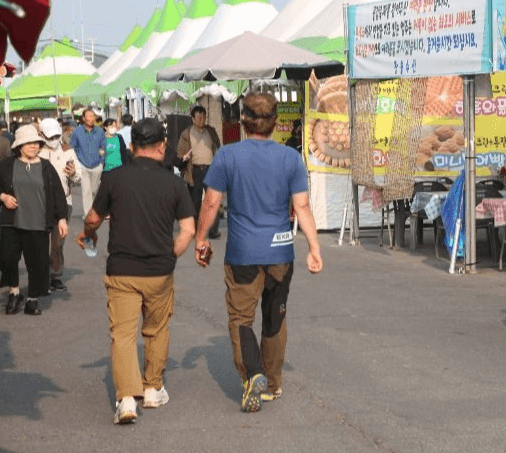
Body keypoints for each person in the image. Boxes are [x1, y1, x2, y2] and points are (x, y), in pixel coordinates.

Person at [195, 92, 323, 413]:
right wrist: (314, 247)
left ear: (243, 121)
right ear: (276, 122)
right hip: (281, 251)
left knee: (241, 316)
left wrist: (201, 239)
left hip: (242, 253)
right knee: (275, 313)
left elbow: (211, 201)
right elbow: (302, 206)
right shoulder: (290, 158)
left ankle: (252, 374)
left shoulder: (228, 156)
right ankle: (273, 382)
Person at [77, 118, 194, 425]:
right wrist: (170, 255)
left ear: (131, 147)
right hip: (159, 272)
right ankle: (153, 388)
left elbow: (93, 217)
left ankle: (127, 399)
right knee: (156, 329)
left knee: (123, 335)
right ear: (162, 146)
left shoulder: (115, 178)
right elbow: (188, 230)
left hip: (122, 270)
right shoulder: (174, 183)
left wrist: (89, 234)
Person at [0, 126, 69, 316]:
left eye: (36, 143)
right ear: (19, 146)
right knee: (7, 257)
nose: (34, 147)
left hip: (38, 223)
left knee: (37, 263)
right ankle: (14, 292)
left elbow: (58, 194)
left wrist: (61, 219)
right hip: (12, 222)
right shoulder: (7, 165)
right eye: (29, 143)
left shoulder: (45, 167)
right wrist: (3, 196)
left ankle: (32, 299)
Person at [39, 118, 81, 292]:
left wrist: (73, 174)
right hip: (40, 202)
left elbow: (78, 177)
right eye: (50, 136)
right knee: (39, 242)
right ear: (41, 135)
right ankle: (41, 276)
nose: (54, 139)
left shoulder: (67, 151)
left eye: (56, 135)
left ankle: (55, 275)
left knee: (57, 242)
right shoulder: (36, 150)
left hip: (64, 202)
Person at [177, 105, 222, 239]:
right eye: (199, 117)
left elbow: (218, 146)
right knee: (195, 202)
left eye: (204, 117)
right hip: (195, 171)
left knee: (213, 201)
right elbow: (180, 154)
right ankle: (196, 230)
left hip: (210, 170)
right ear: (193, 119)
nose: (202, 120)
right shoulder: (187, 133)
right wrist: (184, 157)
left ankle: (213, 230)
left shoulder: (211, 131)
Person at [70, 108, 105, 217]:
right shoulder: (77, 132)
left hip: (97, 165)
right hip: (83, 165)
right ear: (84, 118)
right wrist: (76, 162)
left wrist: (101, 161)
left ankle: (94, 210)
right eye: (88, 116)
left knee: (94, 191)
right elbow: (73, 147)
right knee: (86, 191)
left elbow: (104, 147)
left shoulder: (100, 131)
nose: (90, 119)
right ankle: (88, 215)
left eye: (92, 116)